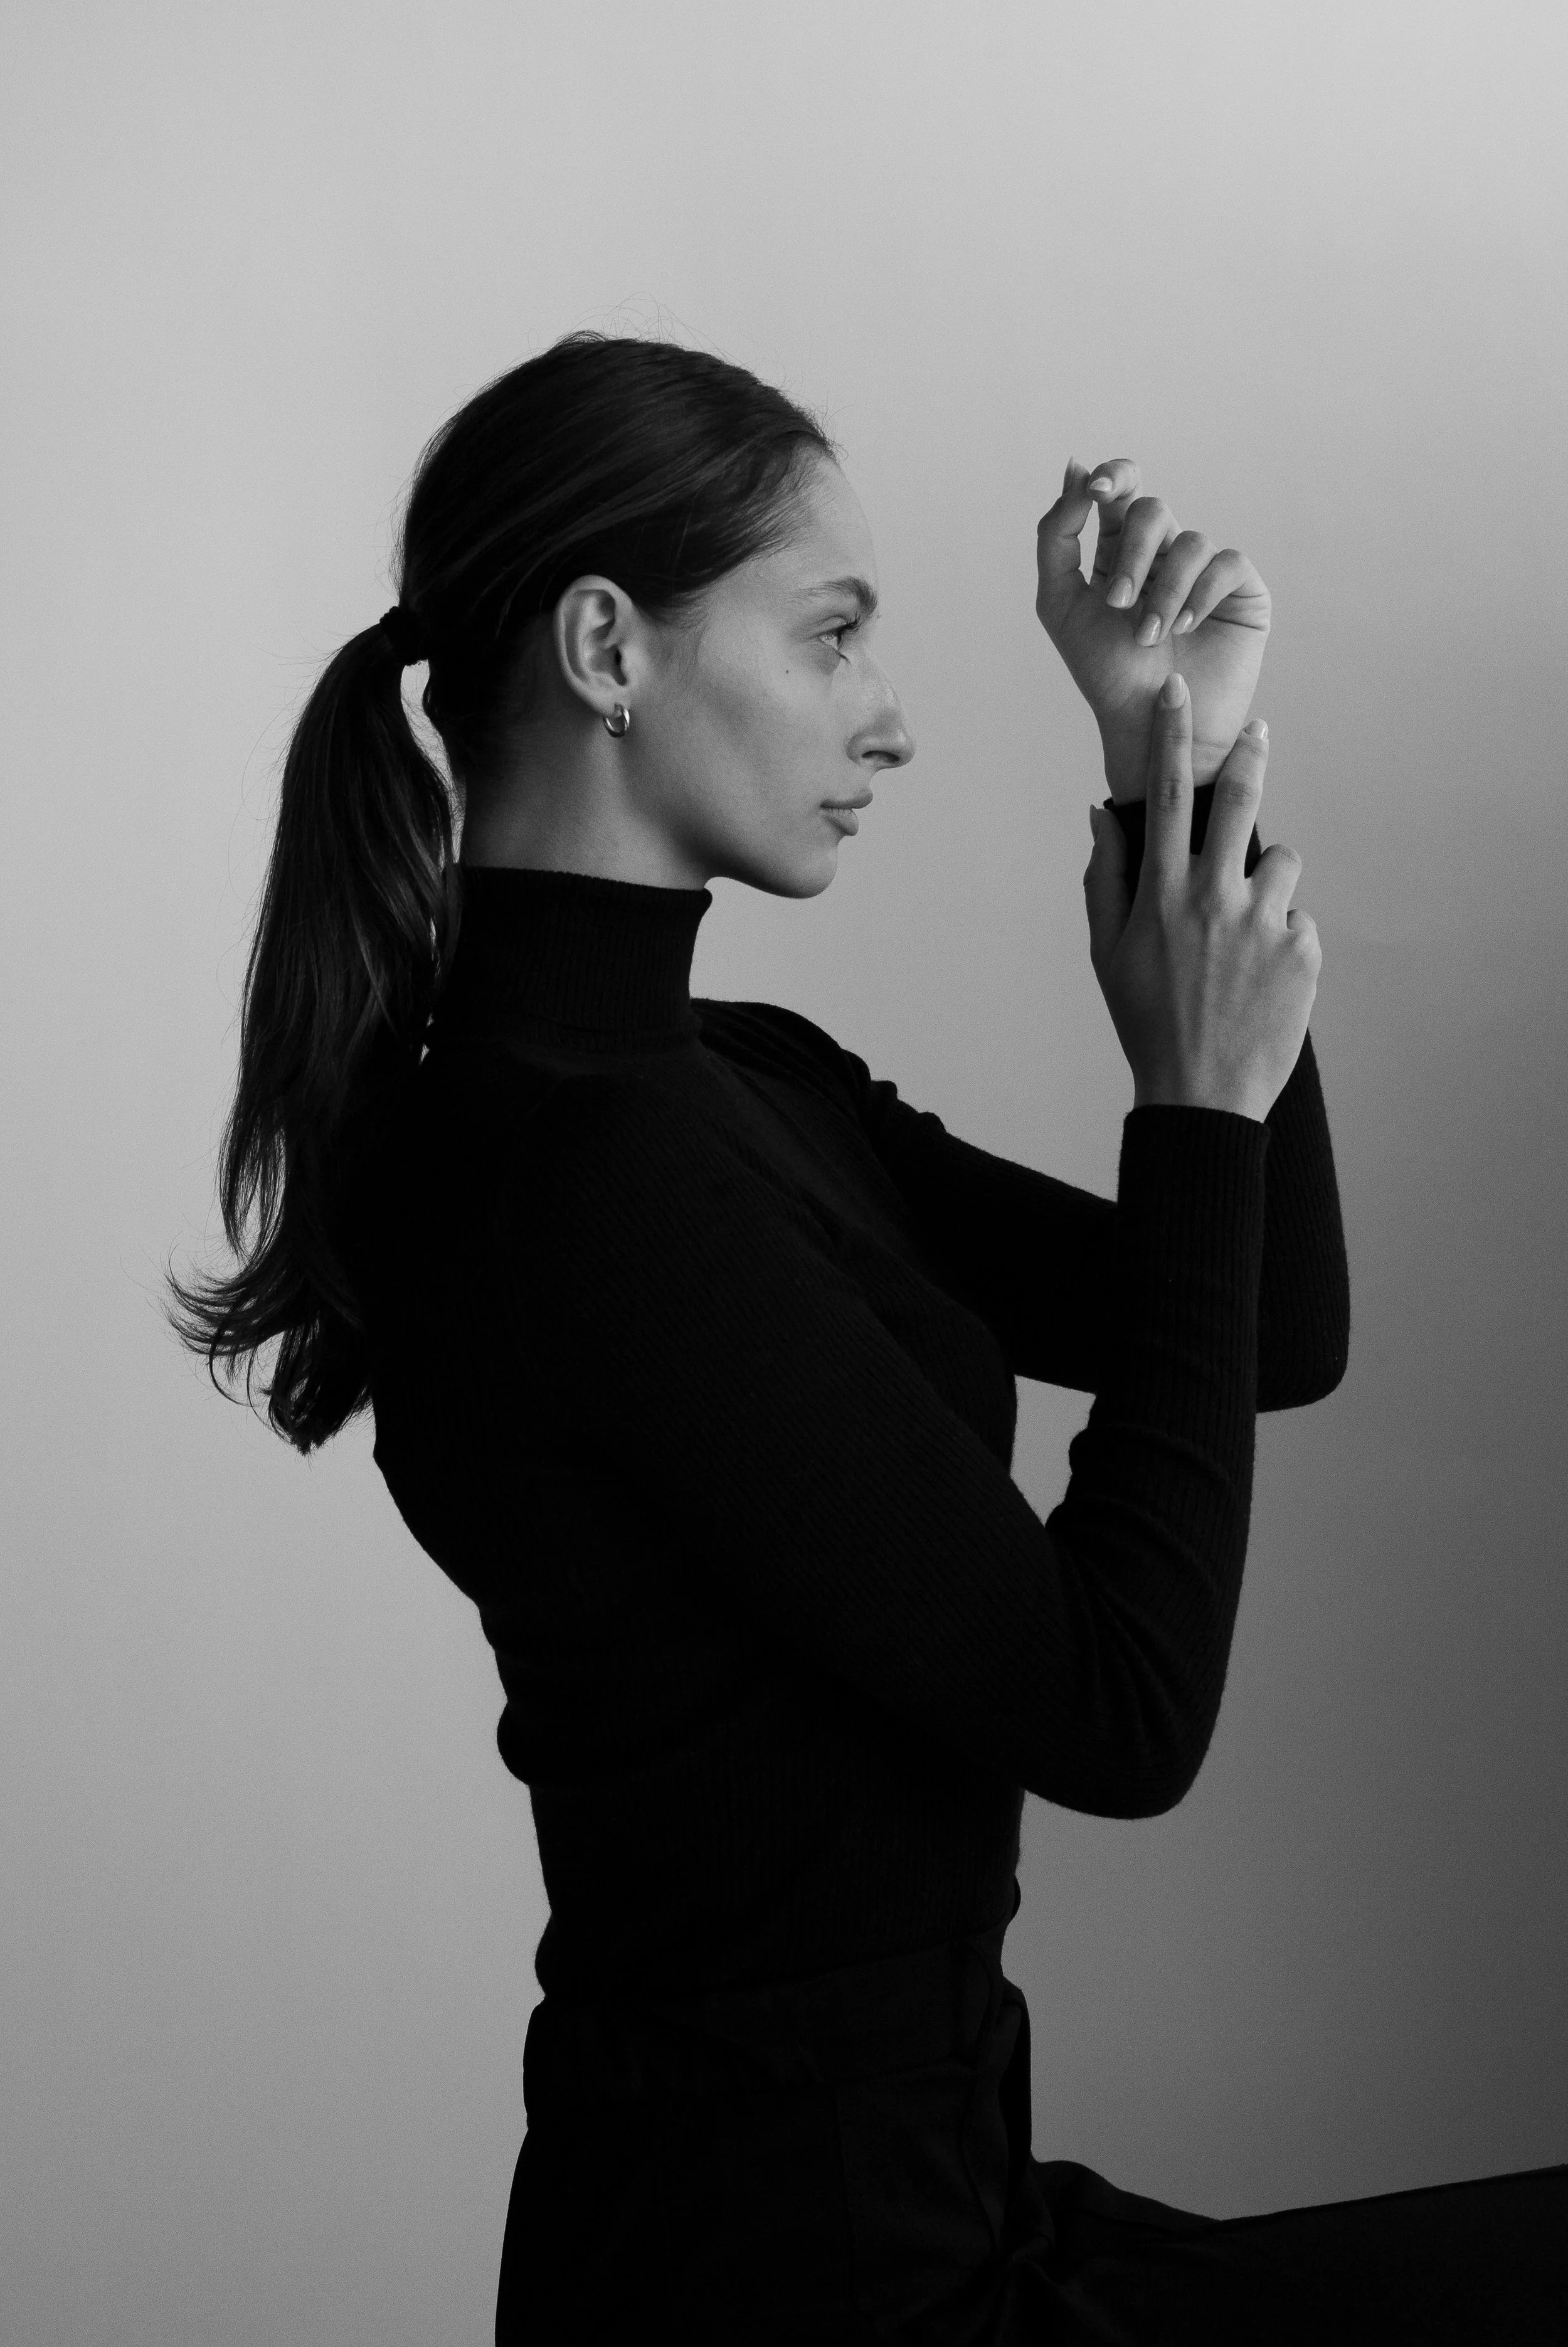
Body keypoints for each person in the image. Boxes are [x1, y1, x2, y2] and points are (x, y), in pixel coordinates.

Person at [171, 333, 1565, 2343]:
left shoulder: (737, 1079)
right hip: (796, 2281)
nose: (889, 718)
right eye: (831, 636)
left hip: (913, 2212)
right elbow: (1116, 1709)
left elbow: (1264, 1324)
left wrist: (1165, 759)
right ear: (606, 647)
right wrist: (1189, 1101)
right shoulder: (570, 1170)